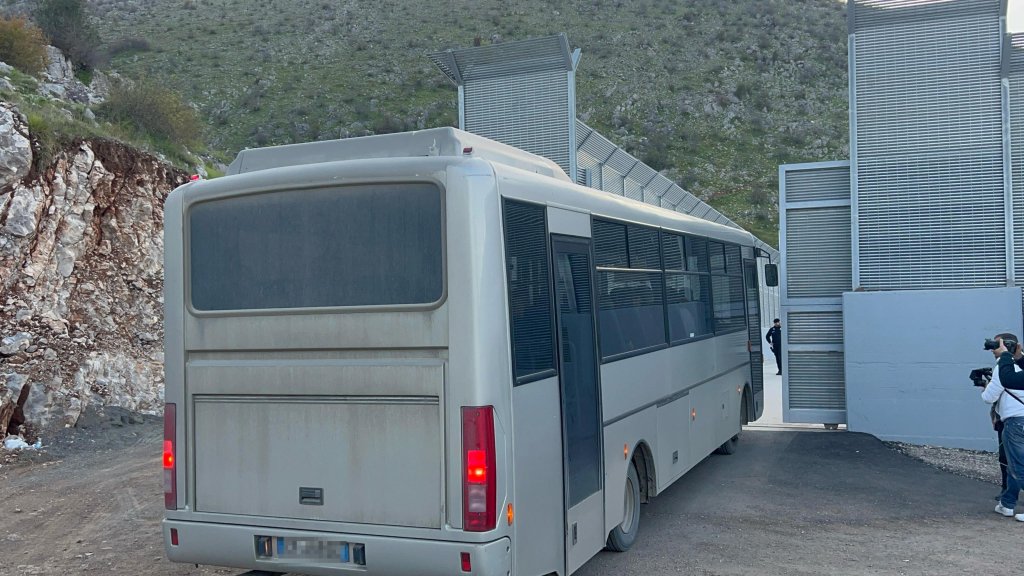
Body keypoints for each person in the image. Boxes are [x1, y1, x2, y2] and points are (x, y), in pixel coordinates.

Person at [982, 333, 1024, 515]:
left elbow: (1002, 385)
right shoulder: (1018, 364)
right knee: (1016, 463)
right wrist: (1017, 356)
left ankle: (1008, 504)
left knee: (1017, 465)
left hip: (1016, 421)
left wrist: (1005, 356)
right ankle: (1007, 503)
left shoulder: (1003, 367)